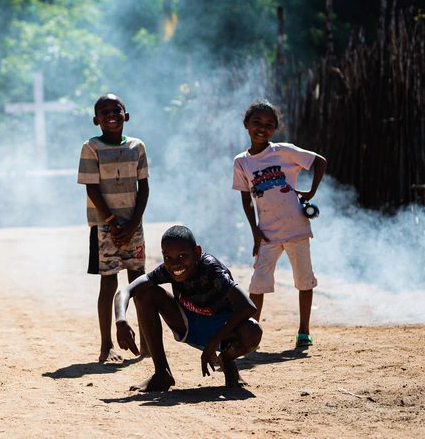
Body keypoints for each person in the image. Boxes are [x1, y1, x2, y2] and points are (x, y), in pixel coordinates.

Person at [115, 225, 262, 391]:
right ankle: (162, 373)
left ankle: (227, 360)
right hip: (190, 325)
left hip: (224, 332)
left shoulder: (211, 269)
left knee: (253, 330)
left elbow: (248, 307)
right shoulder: (168, 270)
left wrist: (213, 342)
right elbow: (125, 291)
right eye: (168, 257)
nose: (175, 264)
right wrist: (120, 320)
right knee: (144, 294)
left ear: (197, 252)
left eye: (182, 256)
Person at [232, 100, 327, 350]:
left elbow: (320, 161)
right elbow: (247, 200)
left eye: (269, 125)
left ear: (275, 129)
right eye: (257, 123)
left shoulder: (283, 151)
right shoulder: (242, 162)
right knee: (258, 283)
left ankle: (303, 331)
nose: (262, 128)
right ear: (246, 125)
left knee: (304, 280)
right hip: (268, 234)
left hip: (296, 228)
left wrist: (312, 192)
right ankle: (252, 331)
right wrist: (255, 232)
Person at [77, 93, 150, 364]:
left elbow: (144, 188)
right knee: (108, 282)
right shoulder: (91, 148)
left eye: (116, 109)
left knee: (139, 281)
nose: (111, 114)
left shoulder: (137, 146)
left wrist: (133, 223)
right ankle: (106, 345)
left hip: (133, 225)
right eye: (104, 111)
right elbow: (91, 187)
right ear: (96, 120)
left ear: (126, 115)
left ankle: (147, 341)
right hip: (105, 227)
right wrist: (110, 221)